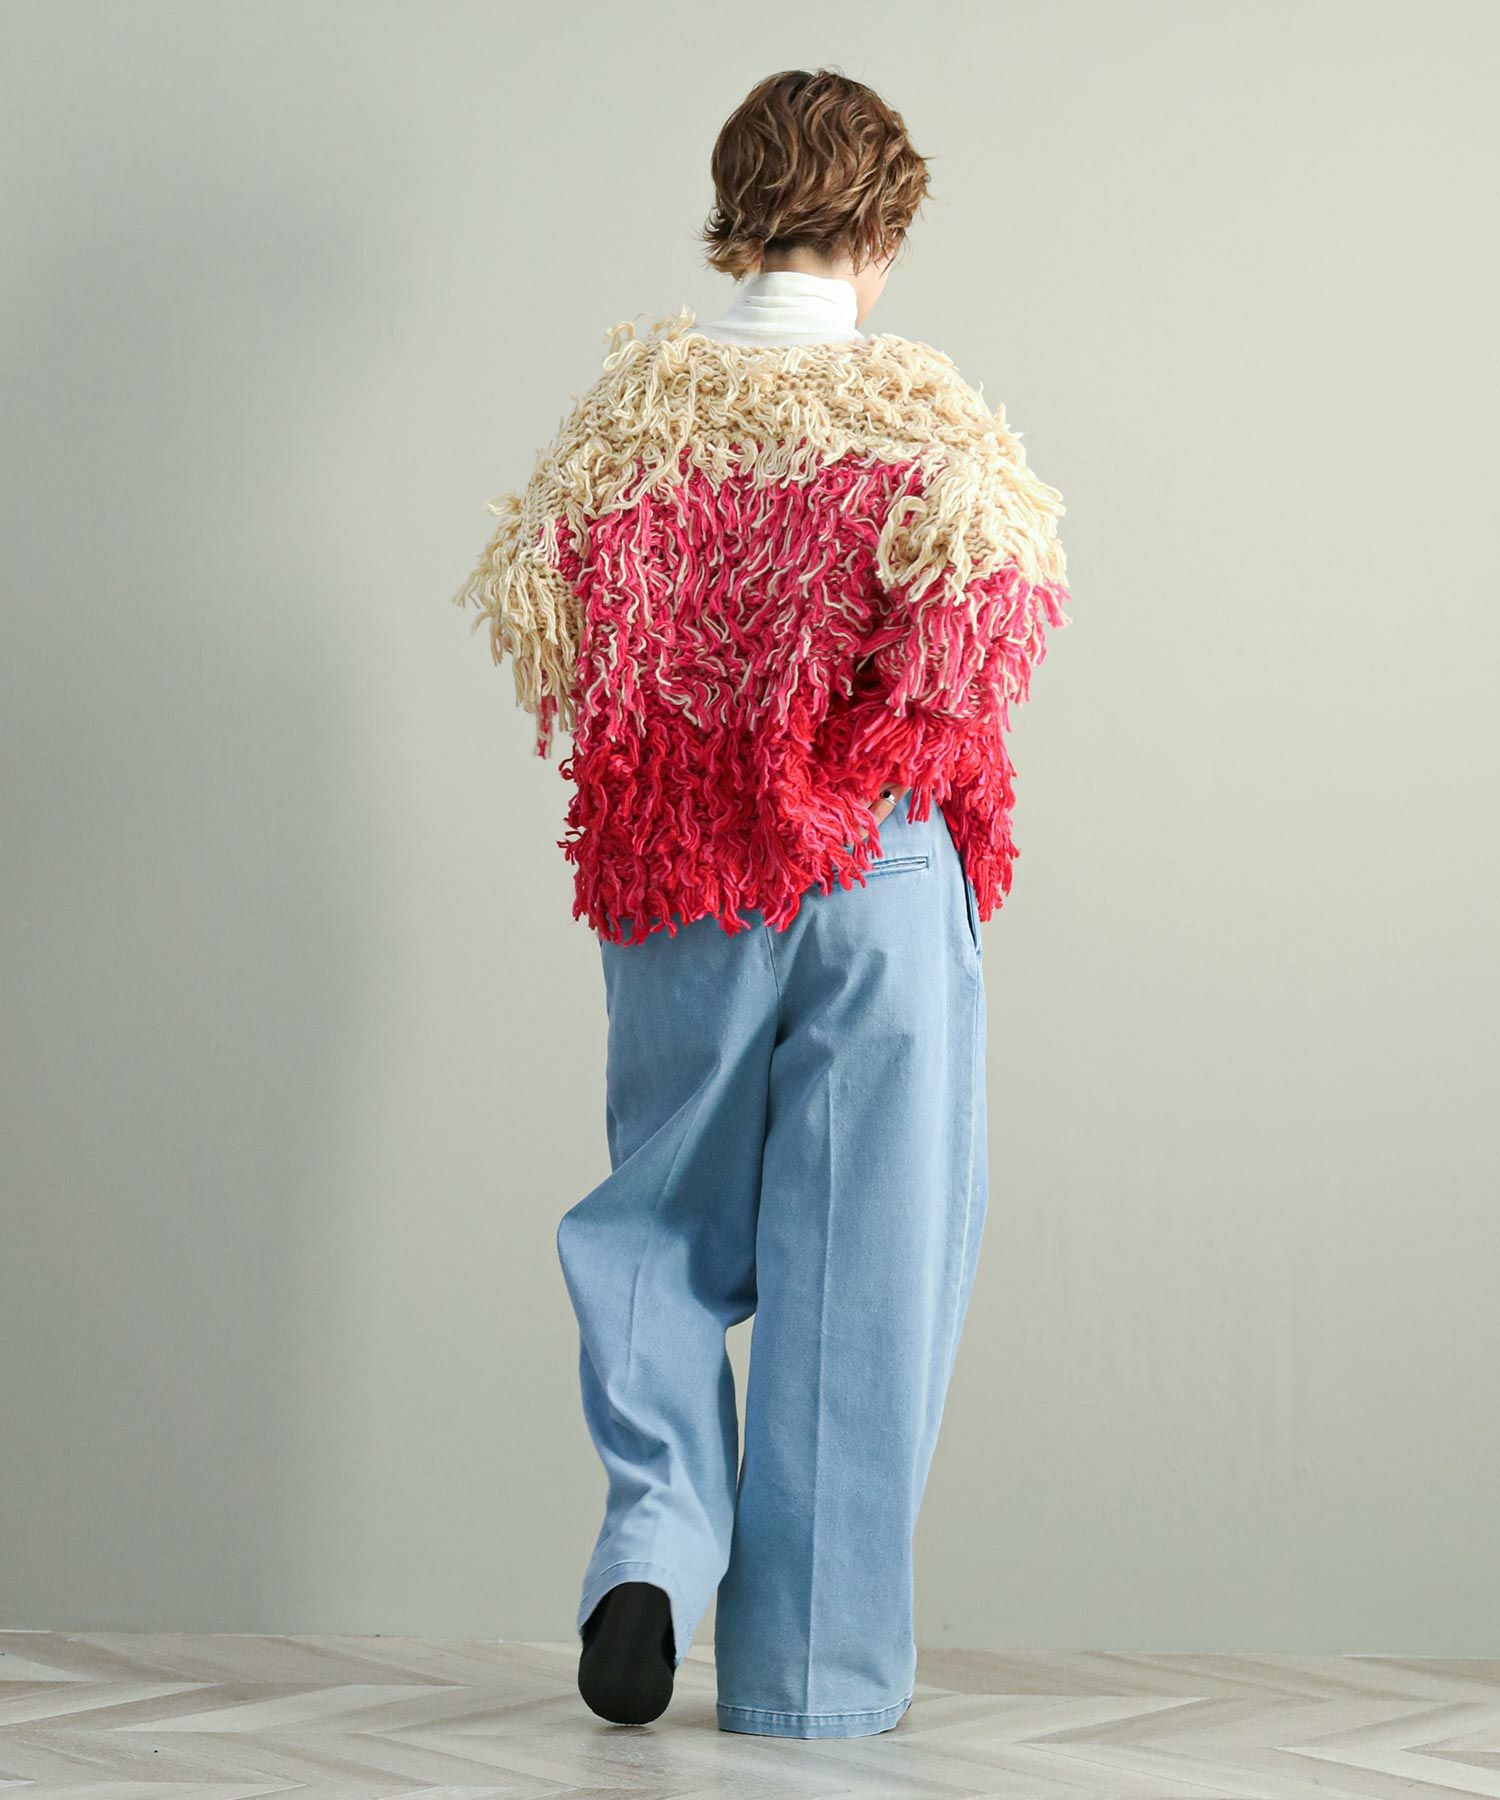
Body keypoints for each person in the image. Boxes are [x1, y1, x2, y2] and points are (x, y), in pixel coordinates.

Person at [452, 67, 1072, 1741]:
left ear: (732, 215)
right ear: (885, 227)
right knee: (864, 1263)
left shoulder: (628, 416)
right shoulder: (925, 412)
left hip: (678, 872)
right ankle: (807, 1687)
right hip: (877, 864)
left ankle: (651, 1552)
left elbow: (556, 626)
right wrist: (854, 766)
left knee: (658, 1212)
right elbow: (980, 632)